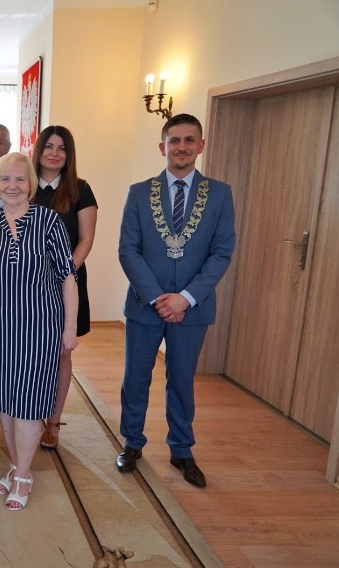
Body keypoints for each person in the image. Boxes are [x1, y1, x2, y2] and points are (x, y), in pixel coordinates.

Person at [117, 113, 235, 488]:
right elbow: (128, 251)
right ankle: (132, 443)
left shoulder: (220, 194)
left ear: (201, 146)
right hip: (144, 306)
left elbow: (221, 253)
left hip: (192, 309)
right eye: (174, 140)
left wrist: (184, 298)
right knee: (136, 377)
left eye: (189, 140)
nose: (181, 147)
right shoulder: (138, 192)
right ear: (162, 147)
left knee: (181, 379)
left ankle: (181, 449)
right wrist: (157, 298)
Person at [0, 152, 78, 510]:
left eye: (20, 179)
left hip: (40, 325)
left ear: (30, 184)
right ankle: (17, 465)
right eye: (5, 179)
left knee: (28, 406)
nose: (12, 186)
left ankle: (23, 475)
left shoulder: (49, 222)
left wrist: (70, 327)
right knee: (3, 403)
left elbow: (67, 277)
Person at [32, 125, 98, 450]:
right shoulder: (25, 186)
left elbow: (86, 239)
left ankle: (54, 423)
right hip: (28, 286)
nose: (55, 153)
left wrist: (63, 271)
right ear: (39, 150)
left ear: (69, 155)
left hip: (66, 282)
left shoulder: (81, 189)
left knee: (61, 351)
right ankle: (29, 413)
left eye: (62, 148)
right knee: (30, 350)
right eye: (49, 146)